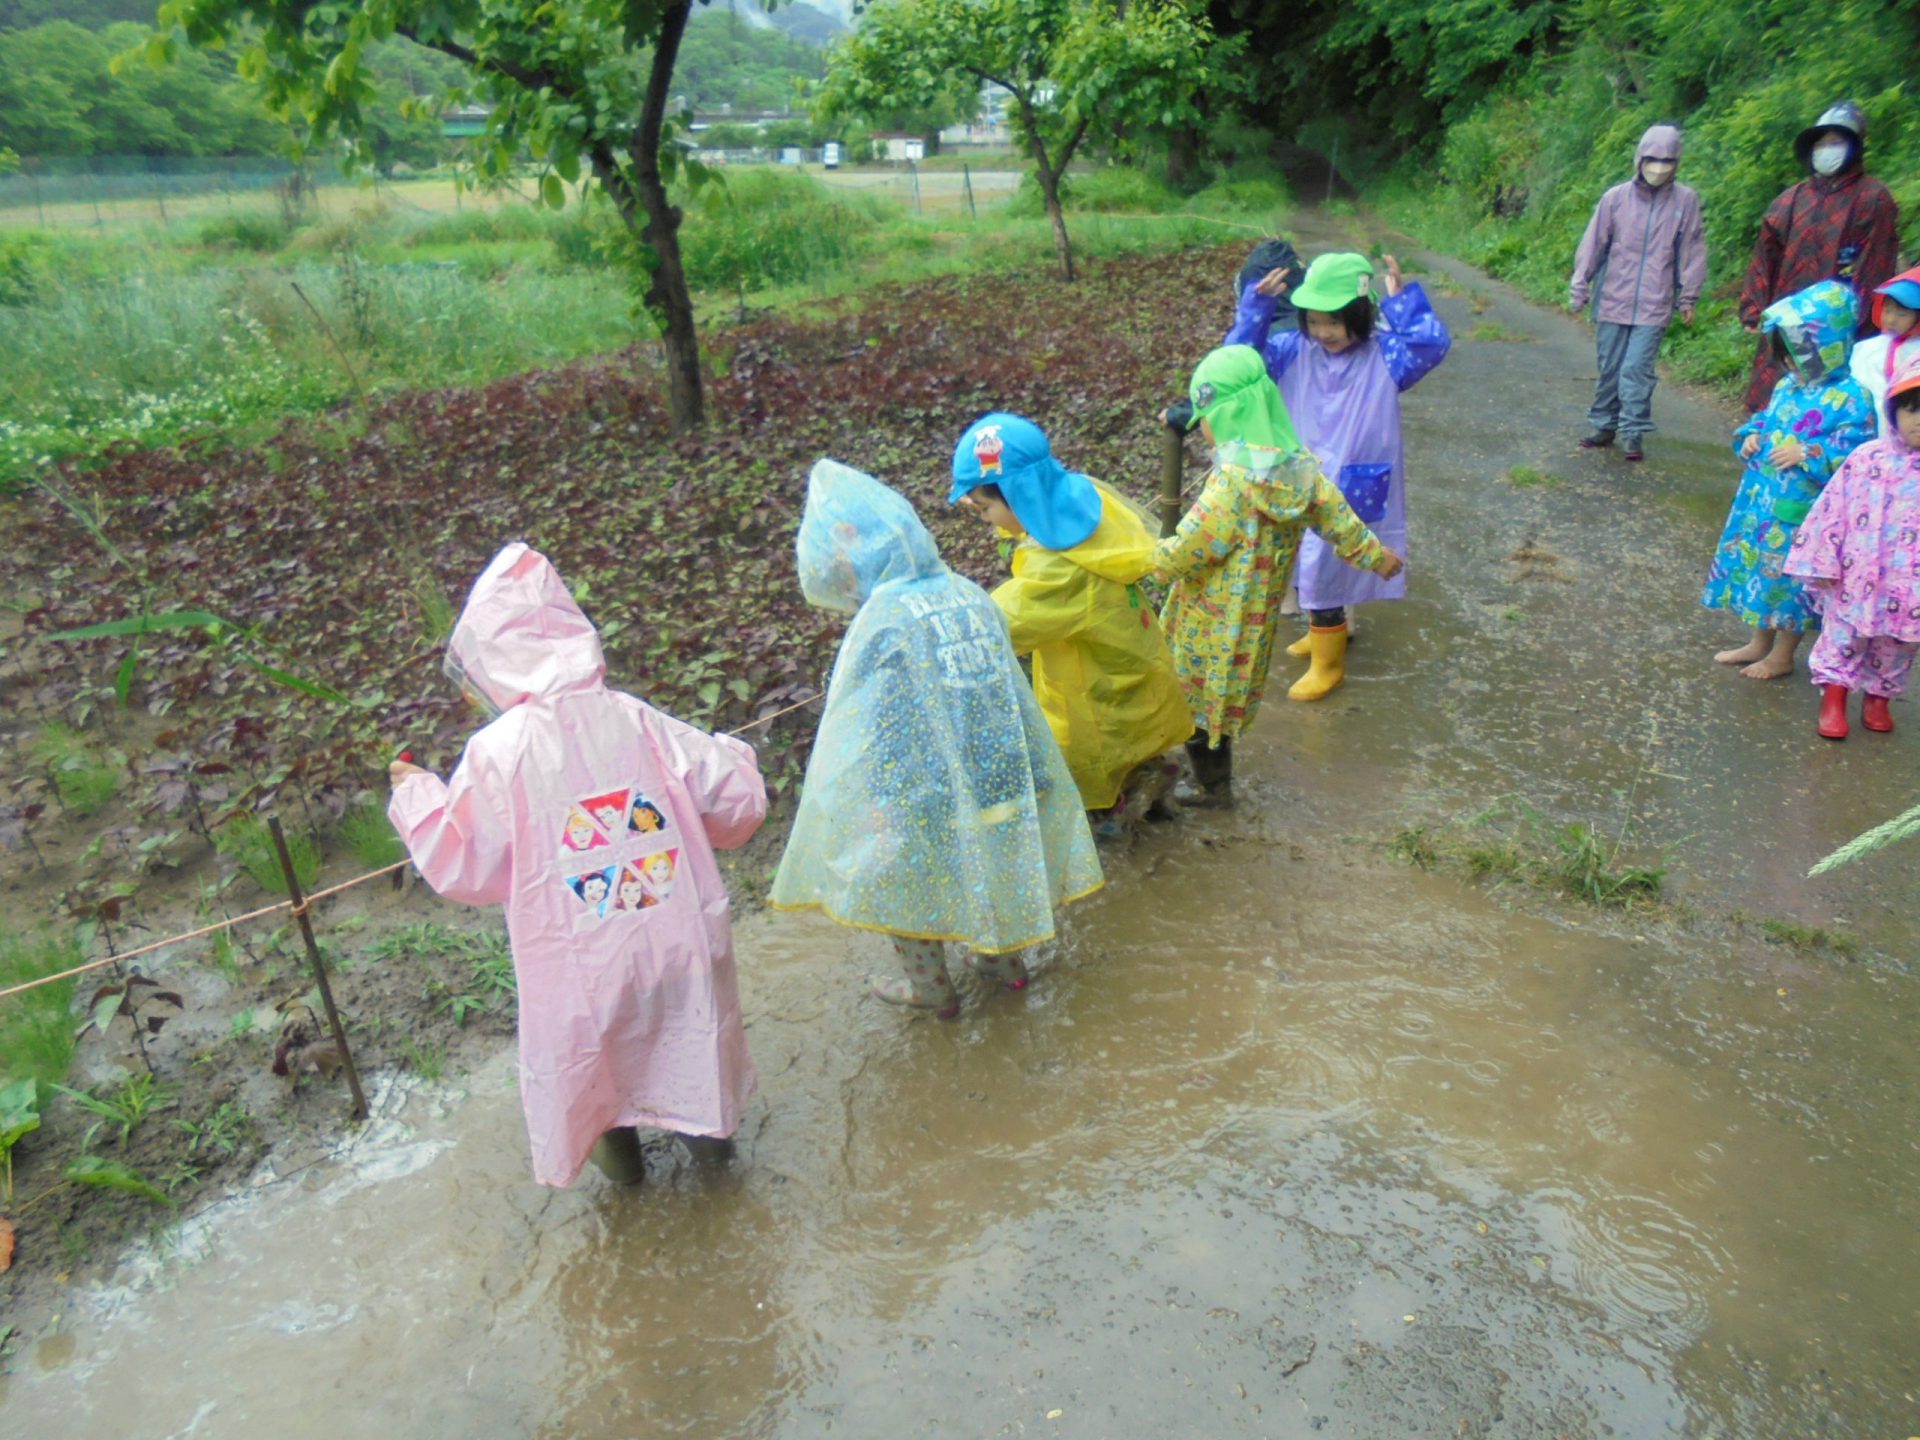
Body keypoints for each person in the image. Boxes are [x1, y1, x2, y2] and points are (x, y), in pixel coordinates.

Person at [388, 542, 767, 1188]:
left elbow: (461, 863)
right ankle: (720, 1183)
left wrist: (415, 792)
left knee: (596, 1086)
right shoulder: (636, 717)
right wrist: (733, 753)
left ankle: (628, 1190)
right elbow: (738, 804)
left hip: (581, 973)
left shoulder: (497, 752)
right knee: (695, 1059)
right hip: (678, 947)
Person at [769, 459, 1102, 1019]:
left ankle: (932, 989)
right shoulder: (967, 591)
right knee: (993, 862)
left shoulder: (883, 618)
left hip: (922, 788)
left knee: (908, 881)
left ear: (853, 552)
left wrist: (875, 802)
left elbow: (873, 722)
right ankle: (1005, 966)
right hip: (1000, 770)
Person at [1154, 346, 1405, 803]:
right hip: (1252, 625)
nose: (1202, 428)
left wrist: (1145, 559)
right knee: (1222, 702)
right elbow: (1339, 520)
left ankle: (1213, 789)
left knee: (1196, 703)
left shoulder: (1231, 487)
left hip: (1205, 620)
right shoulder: (1300, 471)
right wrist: (1376, 556)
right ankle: (1216, 781)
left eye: (1206, 418)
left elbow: (1188, 552)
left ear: (1228, 417)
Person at [947, 413, 1193, 836]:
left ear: (1020, 497)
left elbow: (1006, 621)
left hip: (1098, 691)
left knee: (1094, 769)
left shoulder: (1058, 570)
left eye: (985, 507)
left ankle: (1113, 819)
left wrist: (948, 624)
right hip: (1131, 664)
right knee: (1135, 743)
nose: (984, 517)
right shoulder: (1081, 502)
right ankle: (1157, 776)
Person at [1225, 250, 1450, 698]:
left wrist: (1402, 301)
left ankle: (1329, 665)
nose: (1323, 332)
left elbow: (1431, 345)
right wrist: (1257, 309)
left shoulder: (1386, 354)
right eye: (1313, 320)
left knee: (1327, 564)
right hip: (1300, 478)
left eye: (1334, 321)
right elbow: (1238, 362)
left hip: (1353, 481)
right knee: (1302, 560)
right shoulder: (1292, 350)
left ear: (1360, 314)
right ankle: (1324, 633)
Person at [1701, 281, 1876, 680]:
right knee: (1762, 572)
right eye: (1787, 356)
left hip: (1804, 511)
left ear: (1829, 347)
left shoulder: (1853, 397)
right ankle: (1759, 642)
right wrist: (1751, 437)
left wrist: (1809, 453)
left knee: (1791, 581)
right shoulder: (1788, 386)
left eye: (1800, 355)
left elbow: (1860, 454)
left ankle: (1782, 654)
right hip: (1763, 500)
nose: (1792, 364)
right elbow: (1764, 420)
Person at [1786, 353, 1920, 738]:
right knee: (1844, 635)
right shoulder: (1868, 458)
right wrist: (1823, 561)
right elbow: (1832, 510)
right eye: (1911, 410)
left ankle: (1879, 698)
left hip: (1910, 585)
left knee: (1899, 643)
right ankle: (1834, 698)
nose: (1919, 421)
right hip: (1858, 575)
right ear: (1893, 410)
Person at [1738, 101, 1900, 415]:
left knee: (1826, 410)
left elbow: (1875, 266)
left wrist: (1861, 324)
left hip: (1837, 326)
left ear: (1854, 147)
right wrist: (1753, 307)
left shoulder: (1873, 199)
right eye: (1822, 143)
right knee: (1773, 404)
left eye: (1836, 142)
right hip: (1786, 319)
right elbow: (1764, 257)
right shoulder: (1791, 200)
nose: (1827, 150)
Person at [1566, 122, 1708, 461]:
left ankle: (1632, 432)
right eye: (1652, 159)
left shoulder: (1685, 201)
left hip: (1655, 302)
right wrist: (1580, 286)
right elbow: (1593, 244)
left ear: (1676, 163)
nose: (1658, 167)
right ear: (1639, 159)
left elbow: (1692, 249)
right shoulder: (1615, 199)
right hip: (1613, 298)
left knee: (1636, 370)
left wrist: (1688, 296)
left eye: (1667, 161)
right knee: (1611, 367)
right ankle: (1604, 425)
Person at [1848, 266, 1920, 435]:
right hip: (1863, 428)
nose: (1891, 320)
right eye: (1887, 311)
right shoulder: (1865, 348)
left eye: (1901, 314)